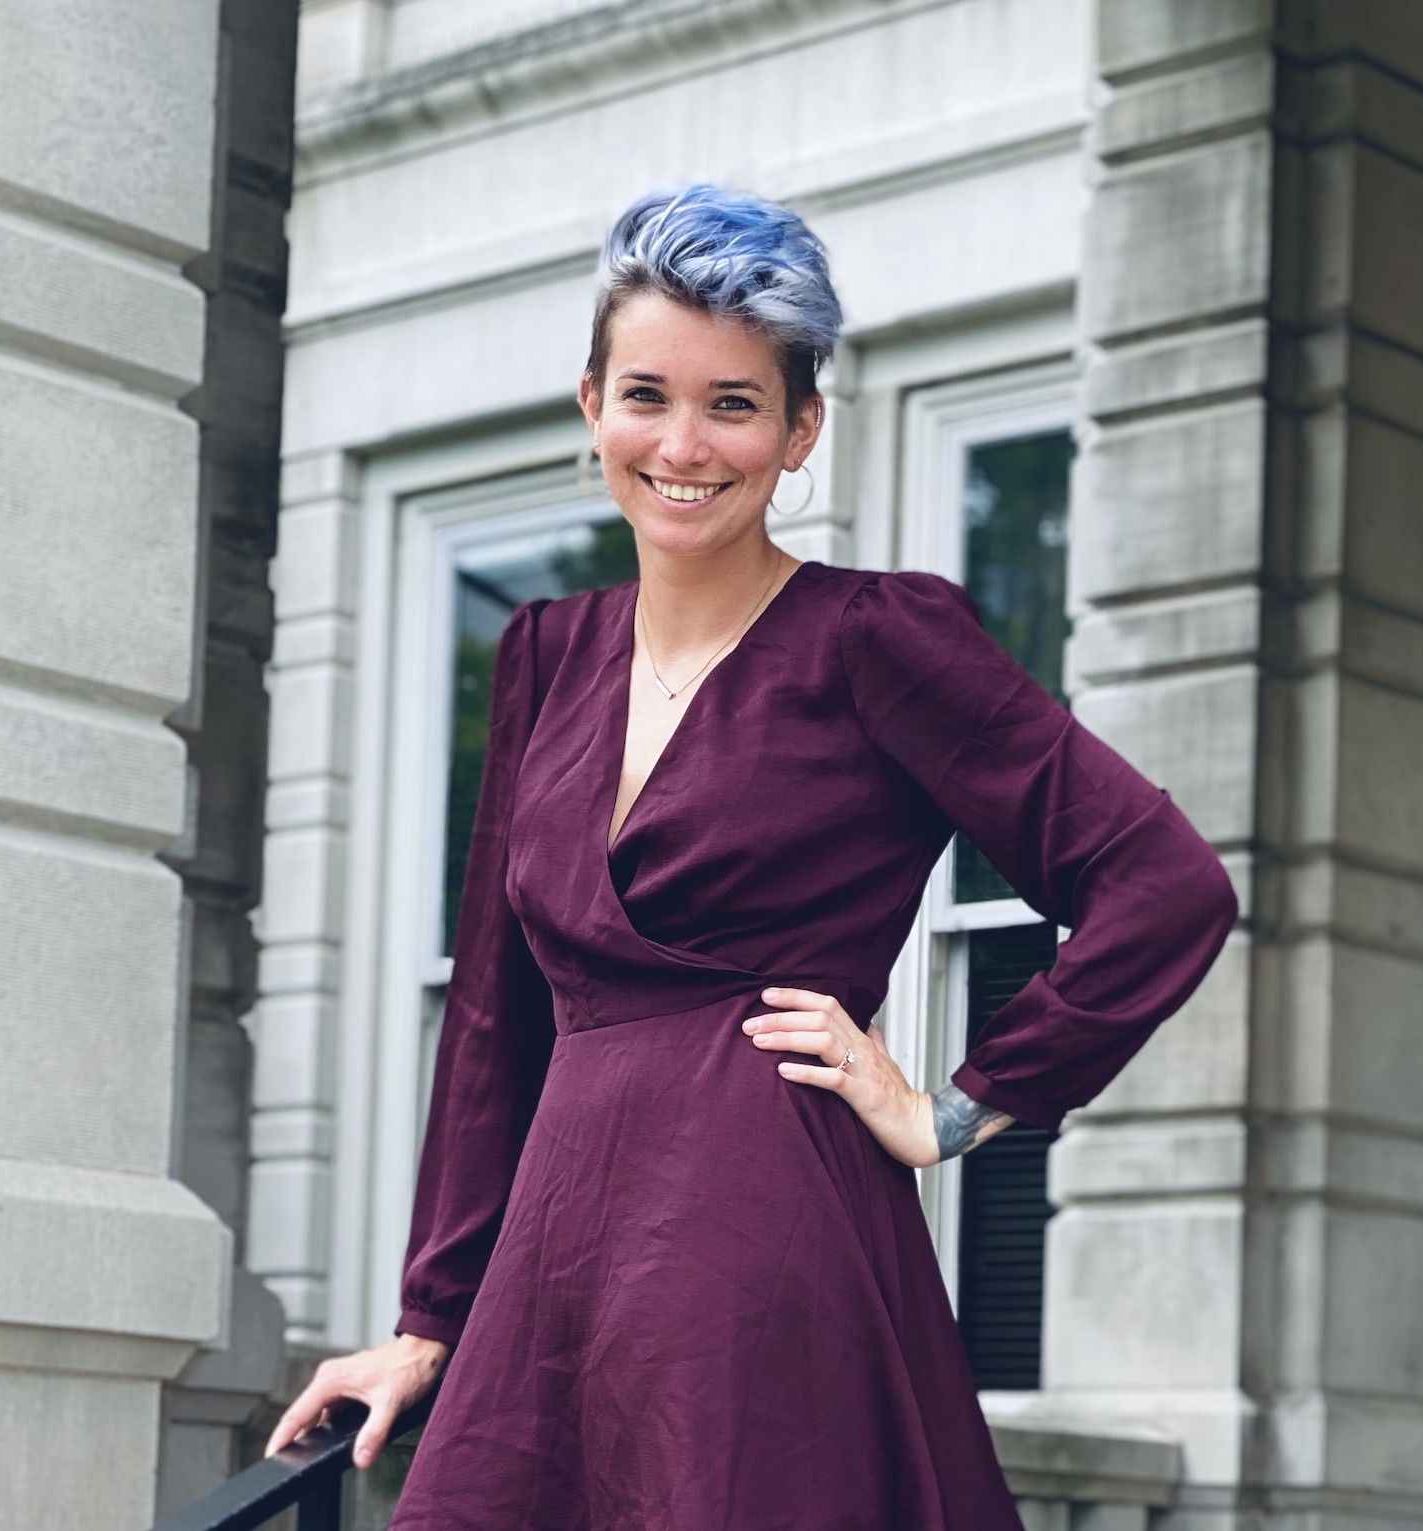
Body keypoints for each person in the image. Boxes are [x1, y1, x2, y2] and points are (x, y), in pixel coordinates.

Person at [267, 184, 1238, 1529]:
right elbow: (494, 1021)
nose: (684, 444)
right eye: (648, 394)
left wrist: (959, 1106)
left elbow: (1167, 884)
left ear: (799, 434)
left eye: (734, 404)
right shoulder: (544, 656)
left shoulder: (880, 639)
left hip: (765, 1240)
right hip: (556, 1264)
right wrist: (431, 1320)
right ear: (590, 406)